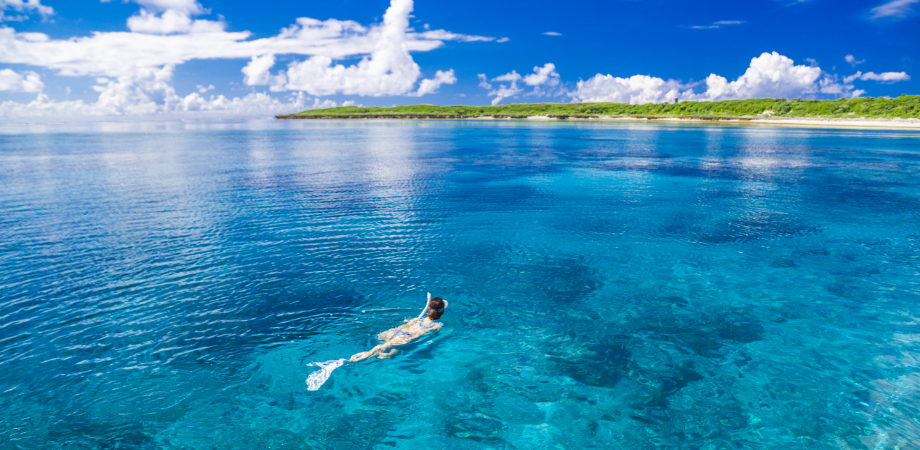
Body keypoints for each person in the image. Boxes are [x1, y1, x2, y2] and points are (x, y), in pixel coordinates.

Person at [348, 296, 448, 362]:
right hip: (407, 337)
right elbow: (425, 332)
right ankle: (364, 356)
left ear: (428, 310)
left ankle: (391, 353)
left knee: (388, 343)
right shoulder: (438, 325)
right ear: (442, 311)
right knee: (382, 346)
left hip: (398, 331)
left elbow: (405, 325)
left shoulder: (418, 319)